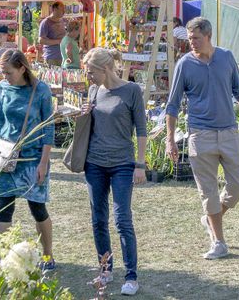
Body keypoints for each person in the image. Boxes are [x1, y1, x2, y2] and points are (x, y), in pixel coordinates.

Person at [165, 17, 239, 260]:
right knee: (208, 191)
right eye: (189, 39)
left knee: (238, 185)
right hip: (200, 135)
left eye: (196, 39)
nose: (192, 43)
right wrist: (170, 139)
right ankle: (219, 242)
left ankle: (211, 218)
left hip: (229, 132)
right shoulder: (184, 64)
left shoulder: (226, 57)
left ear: (208, 36)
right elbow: (172, 104)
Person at [82, 48, 147, 296]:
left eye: (91, 72)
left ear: (105, 69)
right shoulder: (93, 91)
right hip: (94, 163)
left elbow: (141, 129)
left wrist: (140, 164)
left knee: (122, 219)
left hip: (122, 163)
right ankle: (105, 269)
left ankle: (131, 275)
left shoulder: (131, 91)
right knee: (98, 219)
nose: (88, 77)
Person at [0, 49, 55, 270]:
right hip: (8, 157)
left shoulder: (40, 91)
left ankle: (48, 255)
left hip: (32, 159)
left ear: (22, 68)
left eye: (8, 72)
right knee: (3, 207)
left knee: (37, 208)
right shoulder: (2, 88)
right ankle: (1, 259)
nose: (5, 77)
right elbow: (1, 121)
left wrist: (43, 162)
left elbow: (48, 129)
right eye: (2, 72)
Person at [38, 1, 66, 66]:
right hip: (52, 58)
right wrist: (58, 41)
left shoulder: (62, 21)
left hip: (63, 56)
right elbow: (41, 40)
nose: (63, 11)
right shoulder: (46, 22)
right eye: (61, 9)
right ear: (54, 9)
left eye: (64, 9)